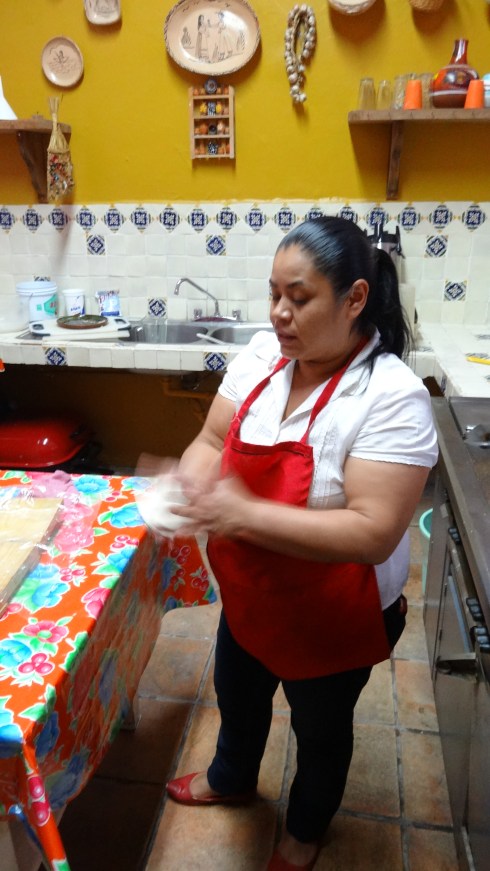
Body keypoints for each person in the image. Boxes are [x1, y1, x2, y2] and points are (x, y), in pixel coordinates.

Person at [165, 216, 438, 871]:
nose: (279, 314)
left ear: (354, 298)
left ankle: (305, 829)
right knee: (238, 695)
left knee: (320, 731)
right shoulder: (263, 356)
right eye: (274, 294)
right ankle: (231, 777)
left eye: (300, 297)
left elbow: (372, 532)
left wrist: (243, 512)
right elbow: (211, 439)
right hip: (251, 593)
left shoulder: (391, 395)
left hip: (332, 614)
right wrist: (192, 480)